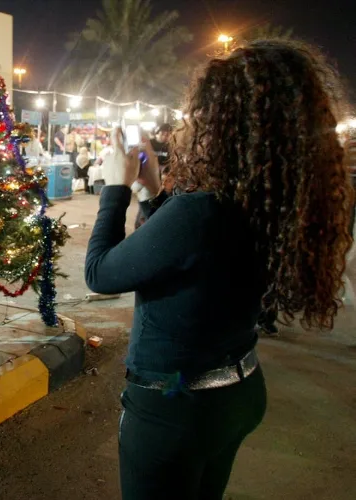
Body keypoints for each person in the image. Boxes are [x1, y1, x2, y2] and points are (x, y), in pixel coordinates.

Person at [85, 40, 353, 500]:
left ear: (225, 121)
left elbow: (100, 273)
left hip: (174, 406)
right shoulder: (277, 200)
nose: (194, 125)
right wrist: (151, 193)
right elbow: (180, 258)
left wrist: (115, 188)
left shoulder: (202, 211)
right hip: (237, 391)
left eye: (201, 114)